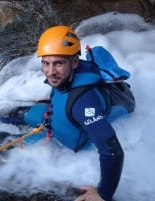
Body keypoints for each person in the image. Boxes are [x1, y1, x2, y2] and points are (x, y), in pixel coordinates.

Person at [28, 25, 126, 201]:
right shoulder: (66, 77)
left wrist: (104, 193)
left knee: (16, 119)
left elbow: (112, 151)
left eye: (58, 63)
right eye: (45, 63)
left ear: (74, 62)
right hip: (61, 116)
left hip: (74, 140)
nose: (50, 72)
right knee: (9, 115)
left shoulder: (82, 103)